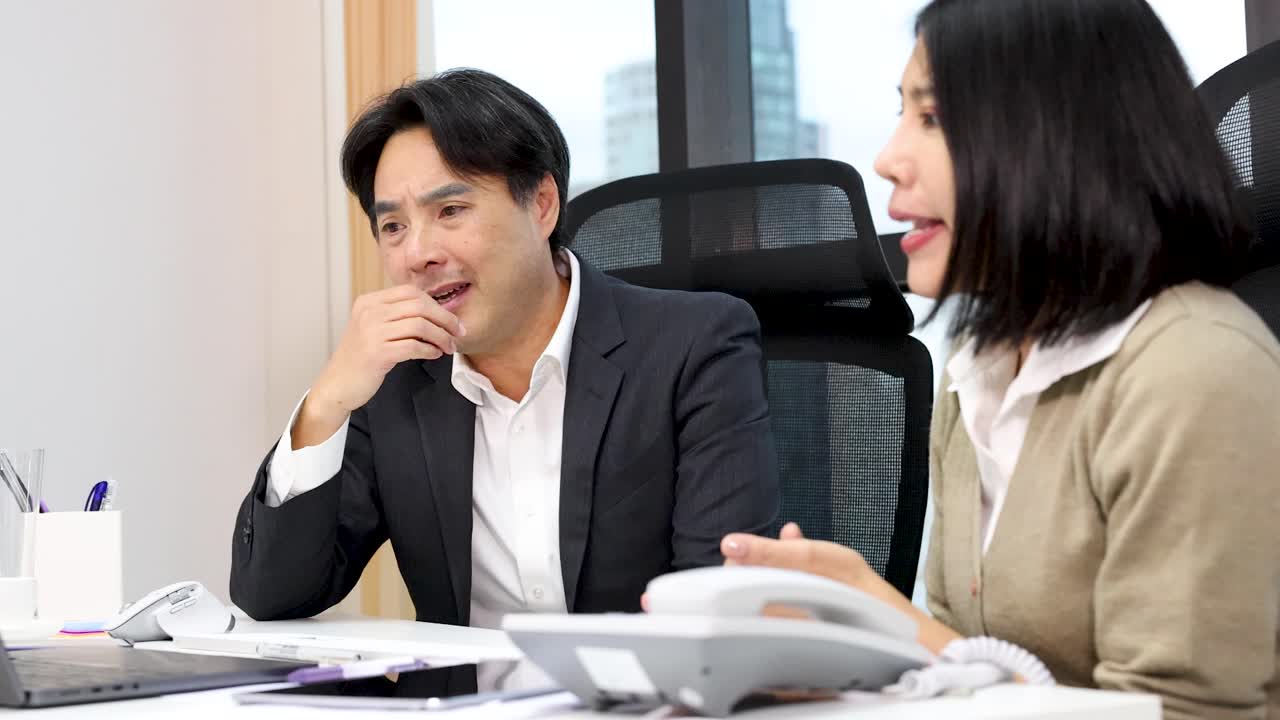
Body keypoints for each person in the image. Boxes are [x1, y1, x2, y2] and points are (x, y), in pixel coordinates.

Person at [719, 1, 1280, 716]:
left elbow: (1183, 712)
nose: (887, 159)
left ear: (1058, 139)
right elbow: (976, 669)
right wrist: (859, 644)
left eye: (935, 118)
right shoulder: (977, 370)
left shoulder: (1194, 369)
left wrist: (906, 628)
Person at [230, 69, 780, 630]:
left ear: (542, 205)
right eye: (392, 226)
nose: (418, 253)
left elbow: (718, 610)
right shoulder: (396, 376)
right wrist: (326, 403)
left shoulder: (693, 346)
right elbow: (273, 596)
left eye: (450, 211)